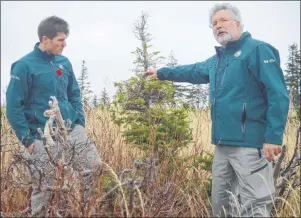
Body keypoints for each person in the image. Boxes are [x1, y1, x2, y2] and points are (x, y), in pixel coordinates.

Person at [144, 3, 289, 217]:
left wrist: (273, 137)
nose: (218, 26)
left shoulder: (258, 50)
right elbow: (191, 71)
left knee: (255, 205)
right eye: (213, 24)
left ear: (237, 23)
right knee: (222, 203)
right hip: (222, 146)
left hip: (251, 145)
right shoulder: (217, 60)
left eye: (223, 20)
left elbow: (278, 94)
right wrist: (161, 72)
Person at [6, 16, 101, 216]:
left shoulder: (64, 62)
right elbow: (14, 107)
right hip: (41, 136)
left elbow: (74, 93)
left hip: (71, 129)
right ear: (45, 38)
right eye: (61, 40)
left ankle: (86, 213)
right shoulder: (23, 66)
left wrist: (80, 124)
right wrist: (28, 141)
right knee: (44, 185)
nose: (65, 44)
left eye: (65, 39)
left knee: (93, 166)